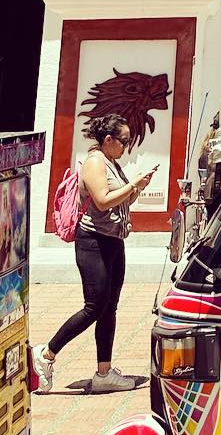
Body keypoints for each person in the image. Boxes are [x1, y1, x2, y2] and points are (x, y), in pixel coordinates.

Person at [35, 113, 153, 393]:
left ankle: (104, 371)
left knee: (109, 307)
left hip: (113, 241)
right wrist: (132, 184)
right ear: (108, 139)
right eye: (123, 141)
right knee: (94, 306)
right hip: (93, 243)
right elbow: (101, 201)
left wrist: (137, 188)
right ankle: (46, 354)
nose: (126, 146)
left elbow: (119, 200)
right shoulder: (94, 163)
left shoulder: (112, 162)